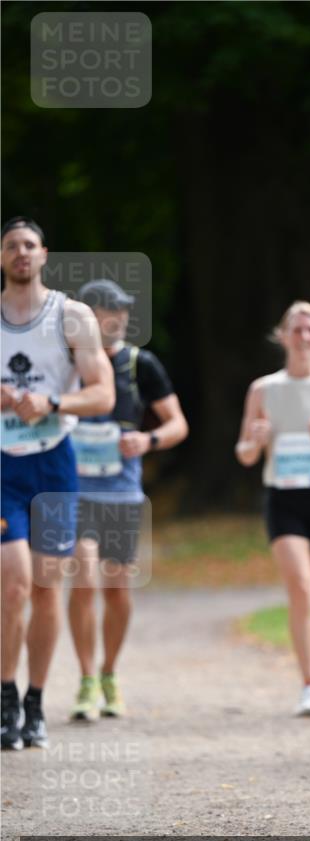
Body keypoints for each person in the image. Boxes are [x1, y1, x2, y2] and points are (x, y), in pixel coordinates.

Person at [1, 217, 115, 750]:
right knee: (15, 582)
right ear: (2, 258)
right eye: (11, 246)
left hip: (53, 463)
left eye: (29, 245)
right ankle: (6, 697)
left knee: (47, 586)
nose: (21, 253)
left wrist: (50, 402)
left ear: (44, 253)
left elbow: (102, 395)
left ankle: (35, 702)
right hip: (4, 466)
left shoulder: (72, 317)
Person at [67, 279, 189, 721]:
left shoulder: (142, 364)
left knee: (117, 589)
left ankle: (108, 673)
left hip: (121, 493)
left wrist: (147, 439)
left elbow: (178, 425)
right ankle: (83, 680)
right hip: (74, 492)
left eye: (121, 309)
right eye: (105, 310)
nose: (116, 317)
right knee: (84, 579)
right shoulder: (66, 363)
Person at [236, 301, 310, 718]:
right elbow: (245, 454)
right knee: (301, 589)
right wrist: (256, 438)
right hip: (284, 498)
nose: (303, 337)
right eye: (296, 329)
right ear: (282, 336)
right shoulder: (263, 389)